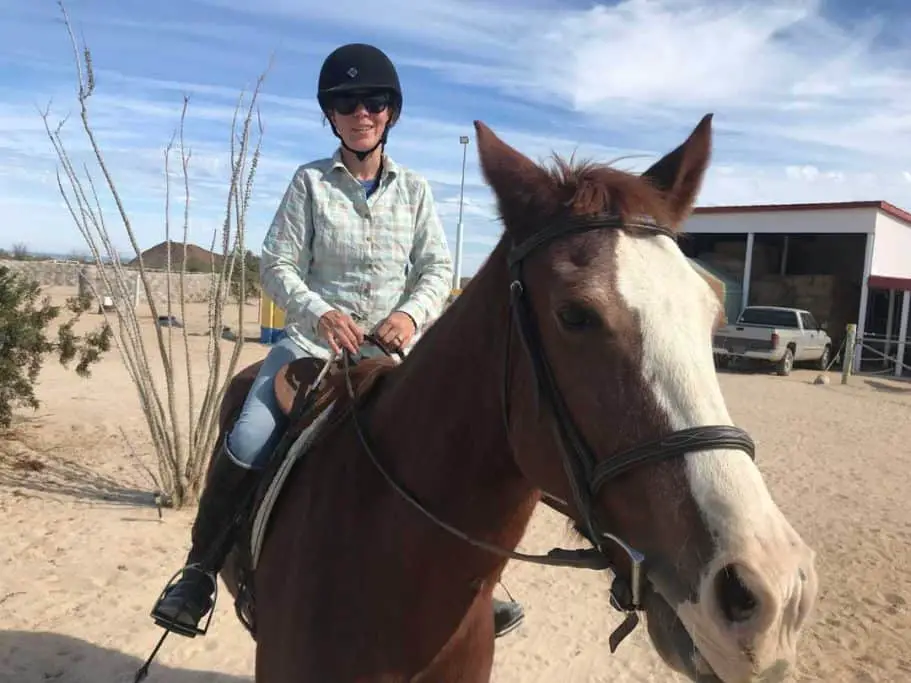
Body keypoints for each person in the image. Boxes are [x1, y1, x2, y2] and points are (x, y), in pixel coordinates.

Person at [149, 42, 525, 641]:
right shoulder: (309, 184)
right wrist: (320, 313)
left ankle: (478, 584)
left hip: (390, 354)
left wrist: (410, 314)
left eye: (373, 101)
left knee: (457, 445)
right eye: (346, 102)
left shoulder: (417, 191)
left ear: (390, 112)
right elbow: (277, 262)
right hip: (312, 351)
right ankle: (197, 571)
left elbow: (435, 270)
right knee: (248, 437)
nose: (361, 112)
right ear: (330, 114)